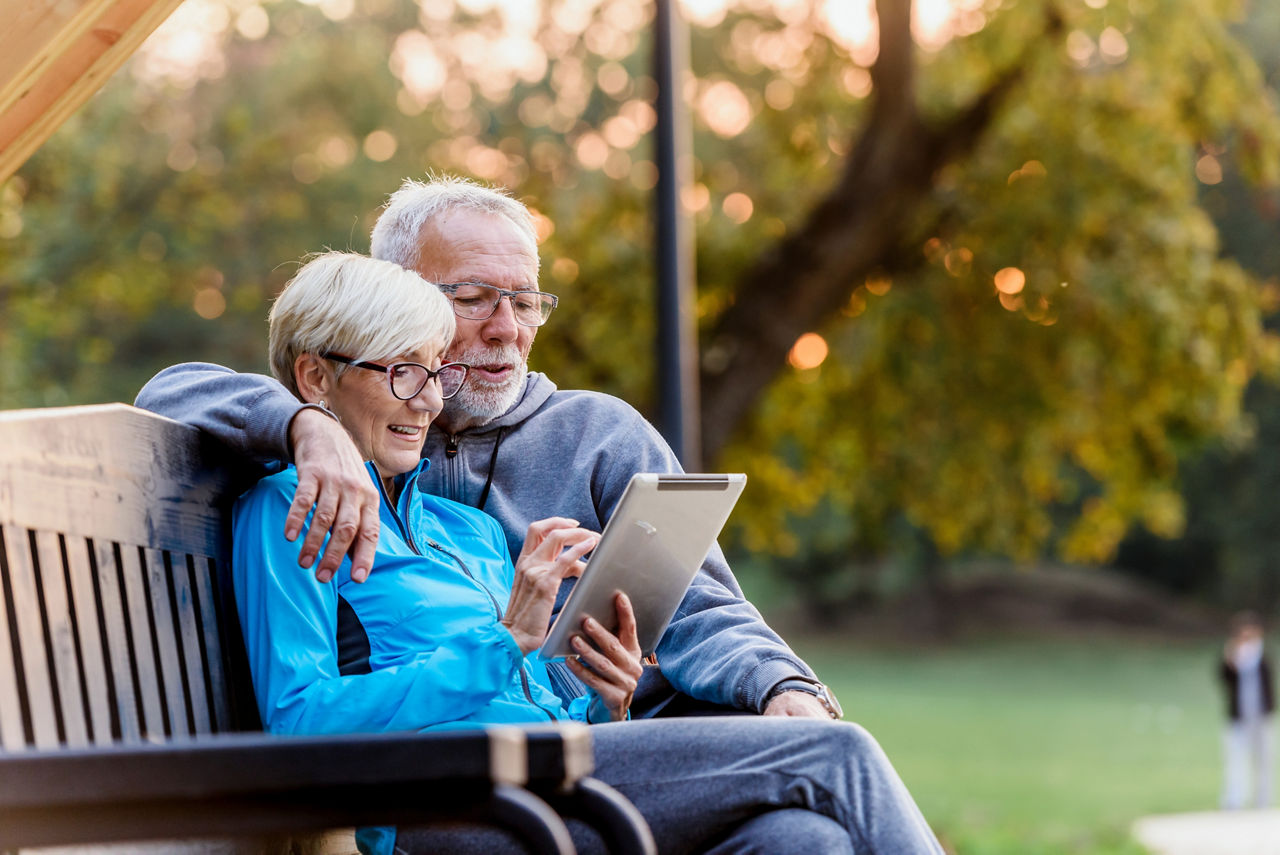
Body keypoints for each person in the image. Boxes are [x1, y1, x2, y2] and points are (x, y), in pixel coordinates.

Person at [235, 250, 945, 855]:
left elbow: (517, 693)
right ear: (315, 378)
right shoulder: (288, 510)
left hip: (536, 778)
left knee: (798, 839)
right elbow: (301, 720)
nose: (425, 402)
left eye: (433, 374)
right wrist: (504, 639)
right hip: (443, 806)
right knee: (833, 752)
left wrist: (595, 696)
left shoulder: (464, 528)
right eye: (400, 373)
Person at [137, 176, 835, 720]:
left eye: (525, 300)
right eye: (473, 297)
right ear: (403, 303)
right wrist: (305, 426)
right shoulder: (352, 427)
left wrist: (782, 687)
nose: (507, 327)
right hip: (486, 786)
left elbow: (701, 606)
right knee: (820, 784)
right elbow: (174, 390)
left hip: (627, 734)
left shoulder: (596, 435)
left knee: (808, 804)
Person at [1218, 611, 1275, 810]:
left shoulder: (1262, 656)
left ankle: (1262, 799)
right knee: (1235, 758)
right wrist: (1230, 659)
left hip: (1260, 716)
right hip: (1238, 715)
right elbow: (1222, 677)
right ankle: (1234, 799)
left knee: (1263, 759)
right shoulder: (1232, 657)